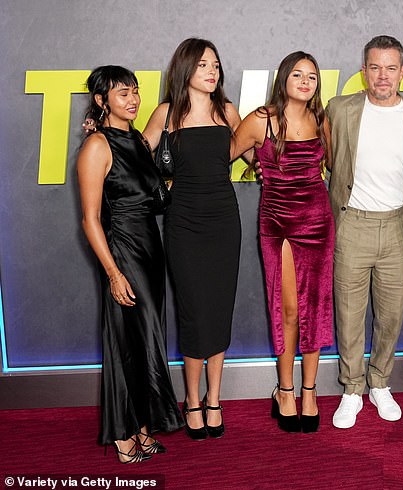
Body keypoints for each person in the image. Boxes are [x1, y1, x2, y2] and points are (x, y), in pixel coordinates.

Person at [327, 36, 403, 429]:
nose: (383, 75)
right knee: (350, 315)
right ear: (364, 71)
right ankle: (352, 389)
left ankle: (380, 383)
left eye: (391, 68)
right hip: (352, 224)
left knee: (390, 317)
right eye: (375, 67)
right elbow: (319, 157)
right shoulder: (339, 110)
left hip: (398, 227)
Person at [77, 65, 182, 463]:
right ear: (102, 101)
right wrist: (113, 272)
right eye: (123, 93)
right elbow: (89, 218)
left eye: (135, 91)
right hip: (122, 252)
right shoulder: (97, 146)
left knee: (147, 339)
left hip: (150, 250)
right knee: (125, 342)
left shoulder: (137, 140)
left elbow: (154, 196)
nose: (133, 99)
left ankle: (141, 426)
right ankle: (123, 436)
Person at [144, 38, 242, 440]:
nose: (212, 71)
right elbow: (135, 152)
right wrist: (100, 133)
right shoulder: (166, 114)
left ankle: (214, 399)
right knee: (193, 312)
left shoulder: (229, 111)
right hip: (183, 223)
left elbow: (257, 156)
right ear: (185, 68)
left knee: (219, 310)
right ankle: (191, 399)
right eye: (203, 65)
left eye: (216, 65)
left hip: (224, 221)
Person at [231, 52, 334, 433]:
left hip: (318, 221)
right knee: (290, 309)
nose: (306, 81)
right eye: (297, 74)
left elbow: (336, 166)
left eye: (312, 76)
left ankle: (310, 391)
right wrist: (253, 162)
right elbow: (227, 152)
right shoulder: (263, 119)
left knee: (317, 308)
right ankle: (285, 390)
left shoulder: (321, 120)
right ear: (283, 78)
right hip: (279, 223)